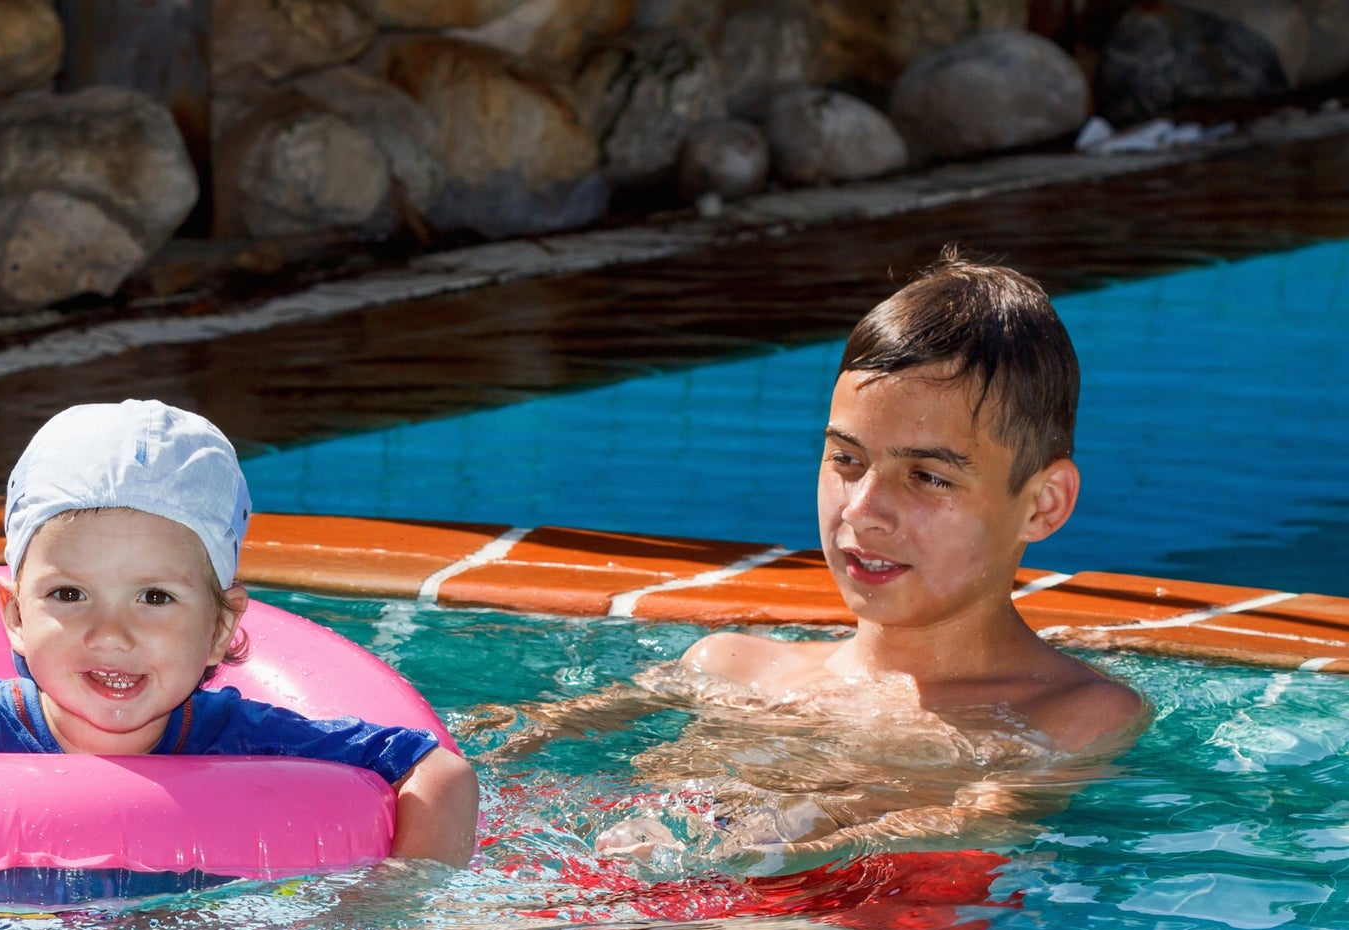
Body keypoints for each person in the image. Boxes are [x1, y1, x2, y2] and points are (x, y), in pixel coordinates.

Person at [477, 249, 1145, 861]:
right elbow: (527, 742)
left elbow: (986, 823)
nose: (860, 510)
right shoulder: (731, 667)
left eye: (929, 477)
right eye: (846, 460)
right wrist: (516, 729)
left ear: (1044, 504)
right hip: (612, 893)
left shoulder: (1078, 714)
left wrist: (783, 852)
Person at [0, 400, 481, 922]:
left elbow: (437, 773)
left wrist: (397, 909)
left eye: (155, 599)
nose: (109, 634)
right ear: (13, 614)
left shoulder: (250, 742)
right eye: (70, 594)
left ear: (220, 630)